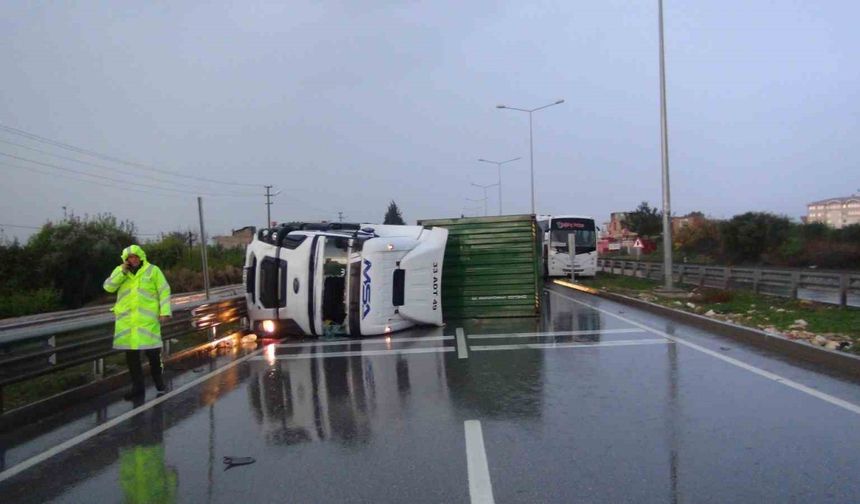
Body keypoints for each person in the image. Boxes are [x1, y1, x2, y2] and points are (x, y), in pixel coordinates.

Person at [103, 245, 172, 400]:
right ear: (125, 259)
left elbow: (164, 291)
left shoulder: (153, 271)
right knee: (132, 358)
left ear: (141, 257)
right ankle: (138, 388)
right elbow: (108, 287)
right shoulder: (120, 271)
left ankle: (158, 381)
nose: (133, 260)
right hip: (128, 323)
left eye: (135, 257)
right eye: (129, 257)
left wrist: (165, 312)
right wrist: (122, 272)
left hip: (148, 322)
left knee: (153, 355)